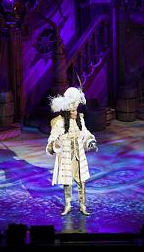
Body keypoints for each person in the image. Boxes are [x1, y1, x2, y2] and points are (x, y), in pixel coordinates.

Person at [46, 87, 98, 216]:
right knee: (67, 182)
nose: (75, 112)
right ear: (68, 111)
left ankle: (82, 205)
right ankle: (68, 205)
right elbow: (52, 139)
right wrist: (54, 144)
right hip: (66, 157)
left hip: (79, 156)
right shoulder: (59, 122)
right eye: (73, 110)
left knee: (81, 181)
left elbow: (85, 133)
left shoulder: (80, 119)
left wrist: (90, 141)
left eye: (76, 110)